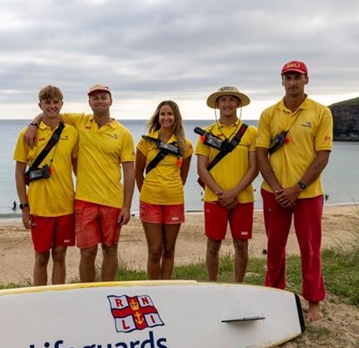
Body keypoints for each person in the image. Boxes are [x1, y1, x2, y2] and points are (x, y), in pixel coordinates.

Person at [25, 84, 134, 282]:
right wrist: (33, 124)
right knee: (87, 252)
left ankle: (106, 292)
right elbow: (51, 113)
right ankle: (88, 293)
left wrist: (127, 206)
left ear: (111, 101)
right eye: (95, 98)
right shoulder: (80, 121)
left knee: (110, 250)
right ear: (89, 103)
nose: (99, 100)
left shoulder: (123, 133)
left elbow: (129, 172)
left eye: (103, 97)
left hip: (112, 201)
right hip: (84, 200)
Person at [255, 60, 333, 322]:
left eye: (297, 77)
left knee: (310, 248)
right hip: (274, 193)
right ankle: (274, 295)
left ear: (306, 80)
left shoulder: (321, 113)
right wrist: (279, 189)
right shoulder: (269, 114)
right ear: (282, 82)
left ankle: (313, 302)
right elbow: (261, 154)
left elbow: (322, 157)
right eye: (287, 77)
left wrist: (297, 188)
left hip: (308, 194)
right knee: (274, 247)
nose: (292, 82)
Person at [14, 85, 79, 286]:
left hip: (65, 206)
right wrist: (24, 208)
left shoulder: (72, 132)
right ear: (40, 105)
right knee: (41, 257)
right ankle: (39, 298)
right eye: (47, 102)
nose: (52, 106)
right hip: (39, 208)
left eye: (55, 102)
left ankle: (57, 297)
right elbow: (18, 173)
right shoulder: (27, 134)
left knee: (60, 255)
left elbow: (77, 169)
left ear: (61, 104)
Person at [195, 86, 259, 283]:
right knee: (213, 244)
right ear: (217, 104)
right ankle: (212, 285)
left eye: (232, 99)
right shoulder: (207, 133)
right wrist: (220, 192)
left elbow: (254, 167)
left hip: (243, 198)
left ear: (238, 104)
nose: (227, 104)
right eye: (223, 100)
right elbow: (201, 168)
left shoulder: (250, 132)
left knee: (241, 244)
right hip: (215, 199)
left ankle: (238, 285)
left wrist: (234, 193)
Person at [135, 100, 193, 280]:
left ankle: (166, 286)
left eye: (169, 114)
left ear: (176, 117)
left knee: (169, 249)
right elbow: (138, 175)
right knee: (154, 250)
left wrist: (170, 189)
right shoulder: (146, 143)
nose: (166, 117)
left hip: (174, 201)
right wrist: (150, 191)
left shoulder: (185, 145)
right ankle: (153, 288)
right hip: (150, 201)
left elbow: (183, 176)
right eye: (163, 114)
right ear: (158, 117)